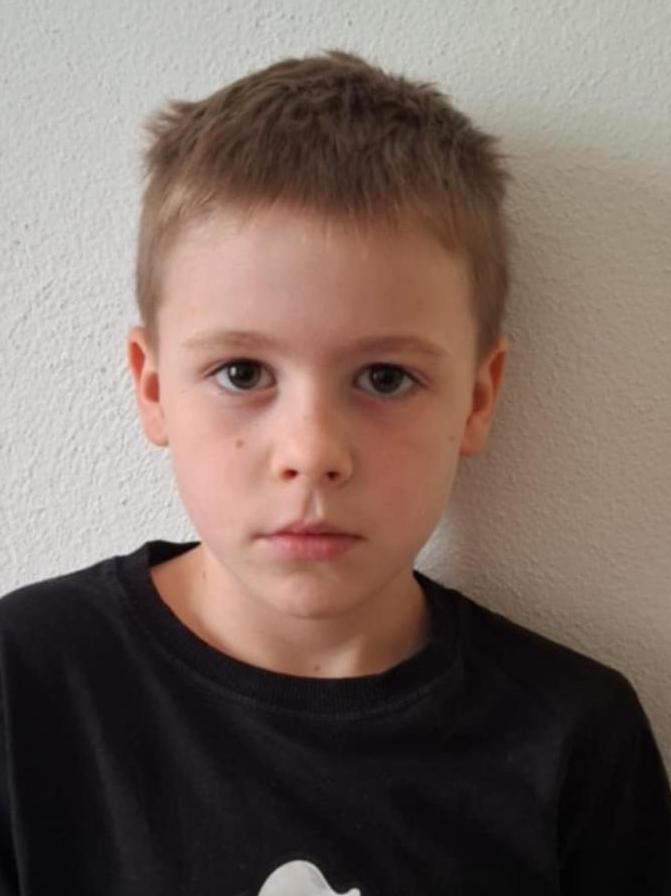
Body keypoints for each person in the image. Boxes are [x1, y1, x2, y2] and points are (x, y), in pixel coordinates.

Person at [0, 49, 669, 896]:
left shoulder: (575, 740)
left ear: (476, 398)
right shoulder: (27, 684)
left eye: (384, 378)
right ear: (154, 387)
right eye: (242, 372)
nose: (311, 451)